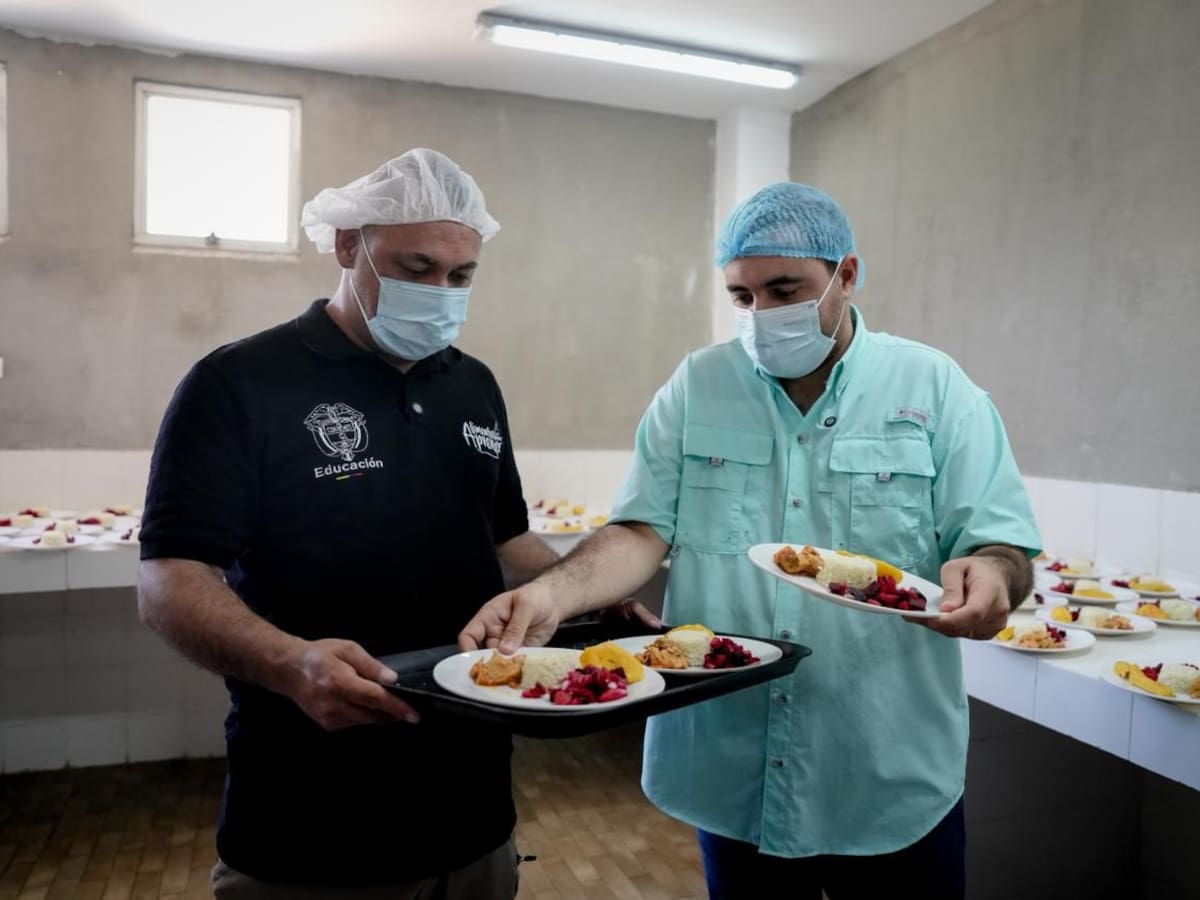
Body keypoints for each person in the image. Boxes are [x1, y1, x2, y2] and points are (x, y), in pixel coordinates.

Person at [460, 183, 1041, 900]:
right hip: (735, 762)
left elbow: (1001, 544)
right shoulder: (698, 386)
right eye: (742, 296)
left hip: (886, 767)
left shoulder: (932, 387)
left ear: (847, 275)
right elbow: (642, 532)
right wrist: (550, 593)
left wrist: (991, 575)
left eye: (784, 289)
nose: (762, 314)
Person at [137, 149, 561, 899]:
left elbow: (504, 540)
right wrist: (290, 664)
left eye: (460, 277)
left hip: (472, 810)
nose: (439, 293)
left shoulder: (472, 385)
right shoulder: (239, 383)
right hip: (307, 819)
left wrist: (585, 583)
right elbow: (170, 580)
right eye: (415, 267)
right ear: (346, 245)